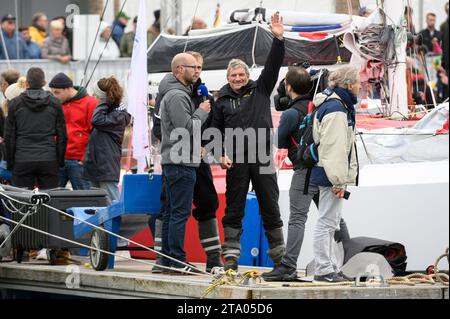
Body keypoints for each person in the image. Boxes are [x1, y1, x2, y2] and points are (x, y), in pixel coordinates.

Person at [211, 13, 286, 271]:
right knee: (234, 209)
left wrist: (278, 39)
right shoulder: (220, 100)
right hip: (236, 160)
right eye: (234, 76)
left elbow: (274, 66)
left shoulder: (261, 88)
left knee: (270, 206)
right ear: (228, 77)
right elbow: (213, 131)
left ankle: (280, 260)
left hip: (263, 157)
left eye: (242, 74)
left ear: (247, 75)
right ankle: (230, 258)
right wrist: (219, 154)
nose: (238, 79)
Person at [262, 67, 351, 281]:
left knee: (297, 219)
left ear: (289, 87)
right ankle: (348, 260)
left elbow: (280, 142)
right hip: (324, 170)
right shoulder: (319, 105)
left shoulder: (291, 113)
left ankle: (288, 266)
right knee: (333, 219)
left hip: (304, 173)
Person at [151, 52, 222, 273]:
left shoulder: (174, 93)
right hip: (182, 161)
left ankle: (168, 260)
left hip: (177, 161)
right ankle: (177, 260)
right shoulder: (177, 95)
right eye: (193, 67)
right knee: (179, 213)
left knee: (173, 212)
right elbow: (186, 129)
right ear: (180, 70)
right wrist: (201, 111)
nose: (197, 71)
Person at [310, 65, 360, 283]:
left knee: (330, 221)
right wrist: (339, 181)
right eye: (358, 82)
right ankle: (324, 269)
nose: (360, 86)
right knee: (327, 222)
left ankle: (328, 266)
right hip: (331, 175)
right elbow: (334, 148)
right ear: (349, 85)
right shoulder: (337, 110)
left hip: (327, 172)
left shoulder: (333, 105)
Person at [4, 67, 67, 189]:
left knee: (22, 202)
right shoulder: (55, 103)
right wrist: (59, 161)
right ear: (44, 83)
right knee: (48, 200)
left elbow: (9, 136)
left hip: (22, 158)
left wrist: (10, 162)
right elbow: (62, 136)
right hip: (48, 158)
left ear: (26, 83)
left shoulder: (15, 104)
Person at [83, 77, 130, 201]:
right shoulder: (109, 113)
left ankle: (115, 221)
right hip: (97, 165)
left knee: (111, 203)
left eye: (96, 95)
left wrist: (104, 101)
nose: (93, 96)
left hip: (106, 166)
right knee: (97, 204)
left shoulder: (118, 115)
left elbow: (96, 120)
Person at [49, 73, 97, 190]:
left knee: (84, 199)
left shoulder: (90, 103)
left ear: (67, 89)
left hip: (78, 161)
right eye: (53, 93)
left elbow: (95, 133)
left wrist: (85, 157)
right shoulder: (56, 104)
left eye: (57, 92)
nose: (54, 96)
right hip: (58, 160)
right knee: (50, 198)